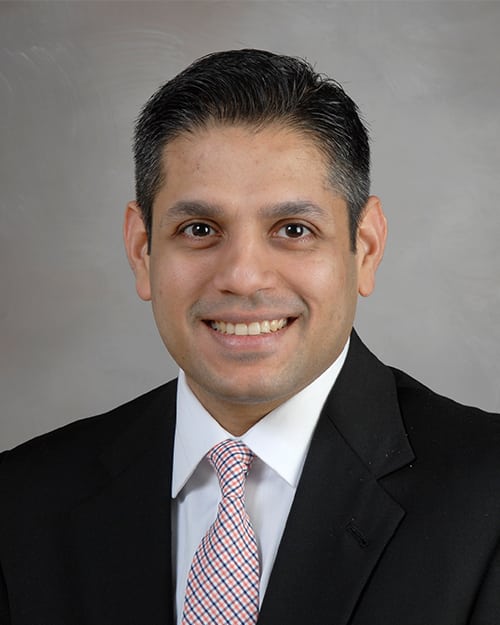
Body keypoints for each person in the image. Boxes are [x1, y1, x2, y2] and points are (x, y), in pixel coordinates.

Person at [0, 49, 499, 625]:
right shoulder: (21, 504)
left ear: (364, 248)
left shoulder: (488, 498)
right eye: (199, 229)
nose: (242, 276)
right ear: (142, 250)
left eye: (293, 229)